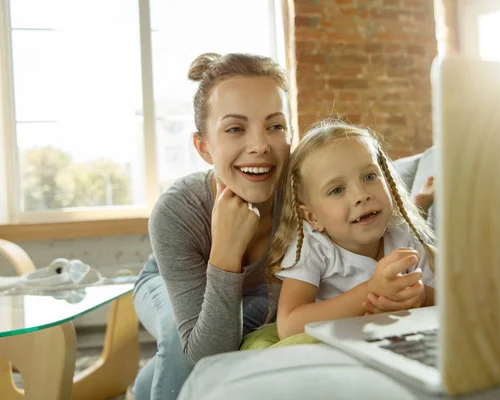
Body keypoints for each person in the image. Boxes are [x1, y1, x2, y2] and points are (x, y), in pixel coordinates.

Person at [131, 52, 292, 400]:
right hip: (165, 279)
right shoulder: (177, 210)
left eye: (275, 125)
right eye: (235, 129)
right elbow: (209, 357)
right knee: (179, 334)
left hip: (255, 293)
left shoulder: (305, 193)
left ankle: (145, 389)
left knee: (208, 341)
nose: (260, 145)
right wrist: (225, 252)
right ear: (204, 147)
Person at [271, 120, 436, 339]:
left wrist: (421, 297)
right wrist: (372, 290)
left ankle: (419, 204)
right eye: (337, 190)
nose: (361, 195)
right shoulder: (313, 247)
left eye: (369, 177)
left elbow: (450, 302)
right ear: (312, 217)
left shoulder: (402, 236)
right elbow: (288, 326)